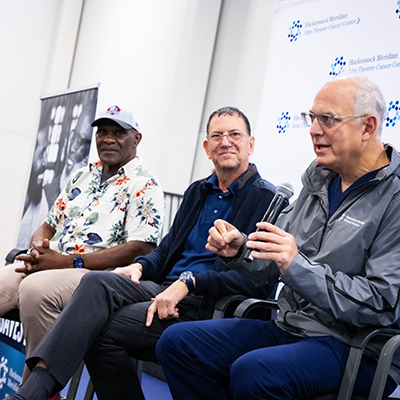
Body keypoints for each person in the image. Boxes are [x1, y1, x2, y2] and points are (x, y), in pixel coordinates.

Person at [3, 106, 278, 400]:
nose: (225, 142)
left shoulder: (266, 199)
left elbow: (255, 279)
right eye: (217, 136)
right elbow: (165, 250)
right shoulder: (197, 191)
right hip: (160, 287)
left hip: (203, 302)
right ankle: (35, 392)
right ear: (207, 148)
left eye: (235, 135)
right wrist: (140, 268)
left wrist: (188, 282)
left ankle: (32, 393)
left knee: (95, 325)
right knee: (95, 283)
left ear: (251, 144)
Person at [156, 75, 400, 400]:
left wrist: (295, 265)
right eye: (311, 118)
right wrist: (241, 250)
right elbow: (271, 262)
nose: (314, 129)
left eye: (327, 119)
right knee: (177, 343)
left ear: (368, 127)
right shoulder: (318, 182)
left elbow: (381, 304)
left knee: (255, 373)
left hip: (356, 344)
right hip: (290, 327)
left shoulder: (394, 198)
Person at [0, 104, 164, 384]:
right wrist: (39, 246)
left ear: (136, 139)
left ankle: (38, 389)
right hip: (56, 263)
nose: (108, 139)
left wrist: (67, 262)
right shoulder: (81, 175)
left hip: (96, 276)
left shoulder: (145, 185)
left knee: (35, 291)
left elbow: (142, 248)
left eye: (118, 133)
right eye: (102, 132)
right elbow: (47, 225)